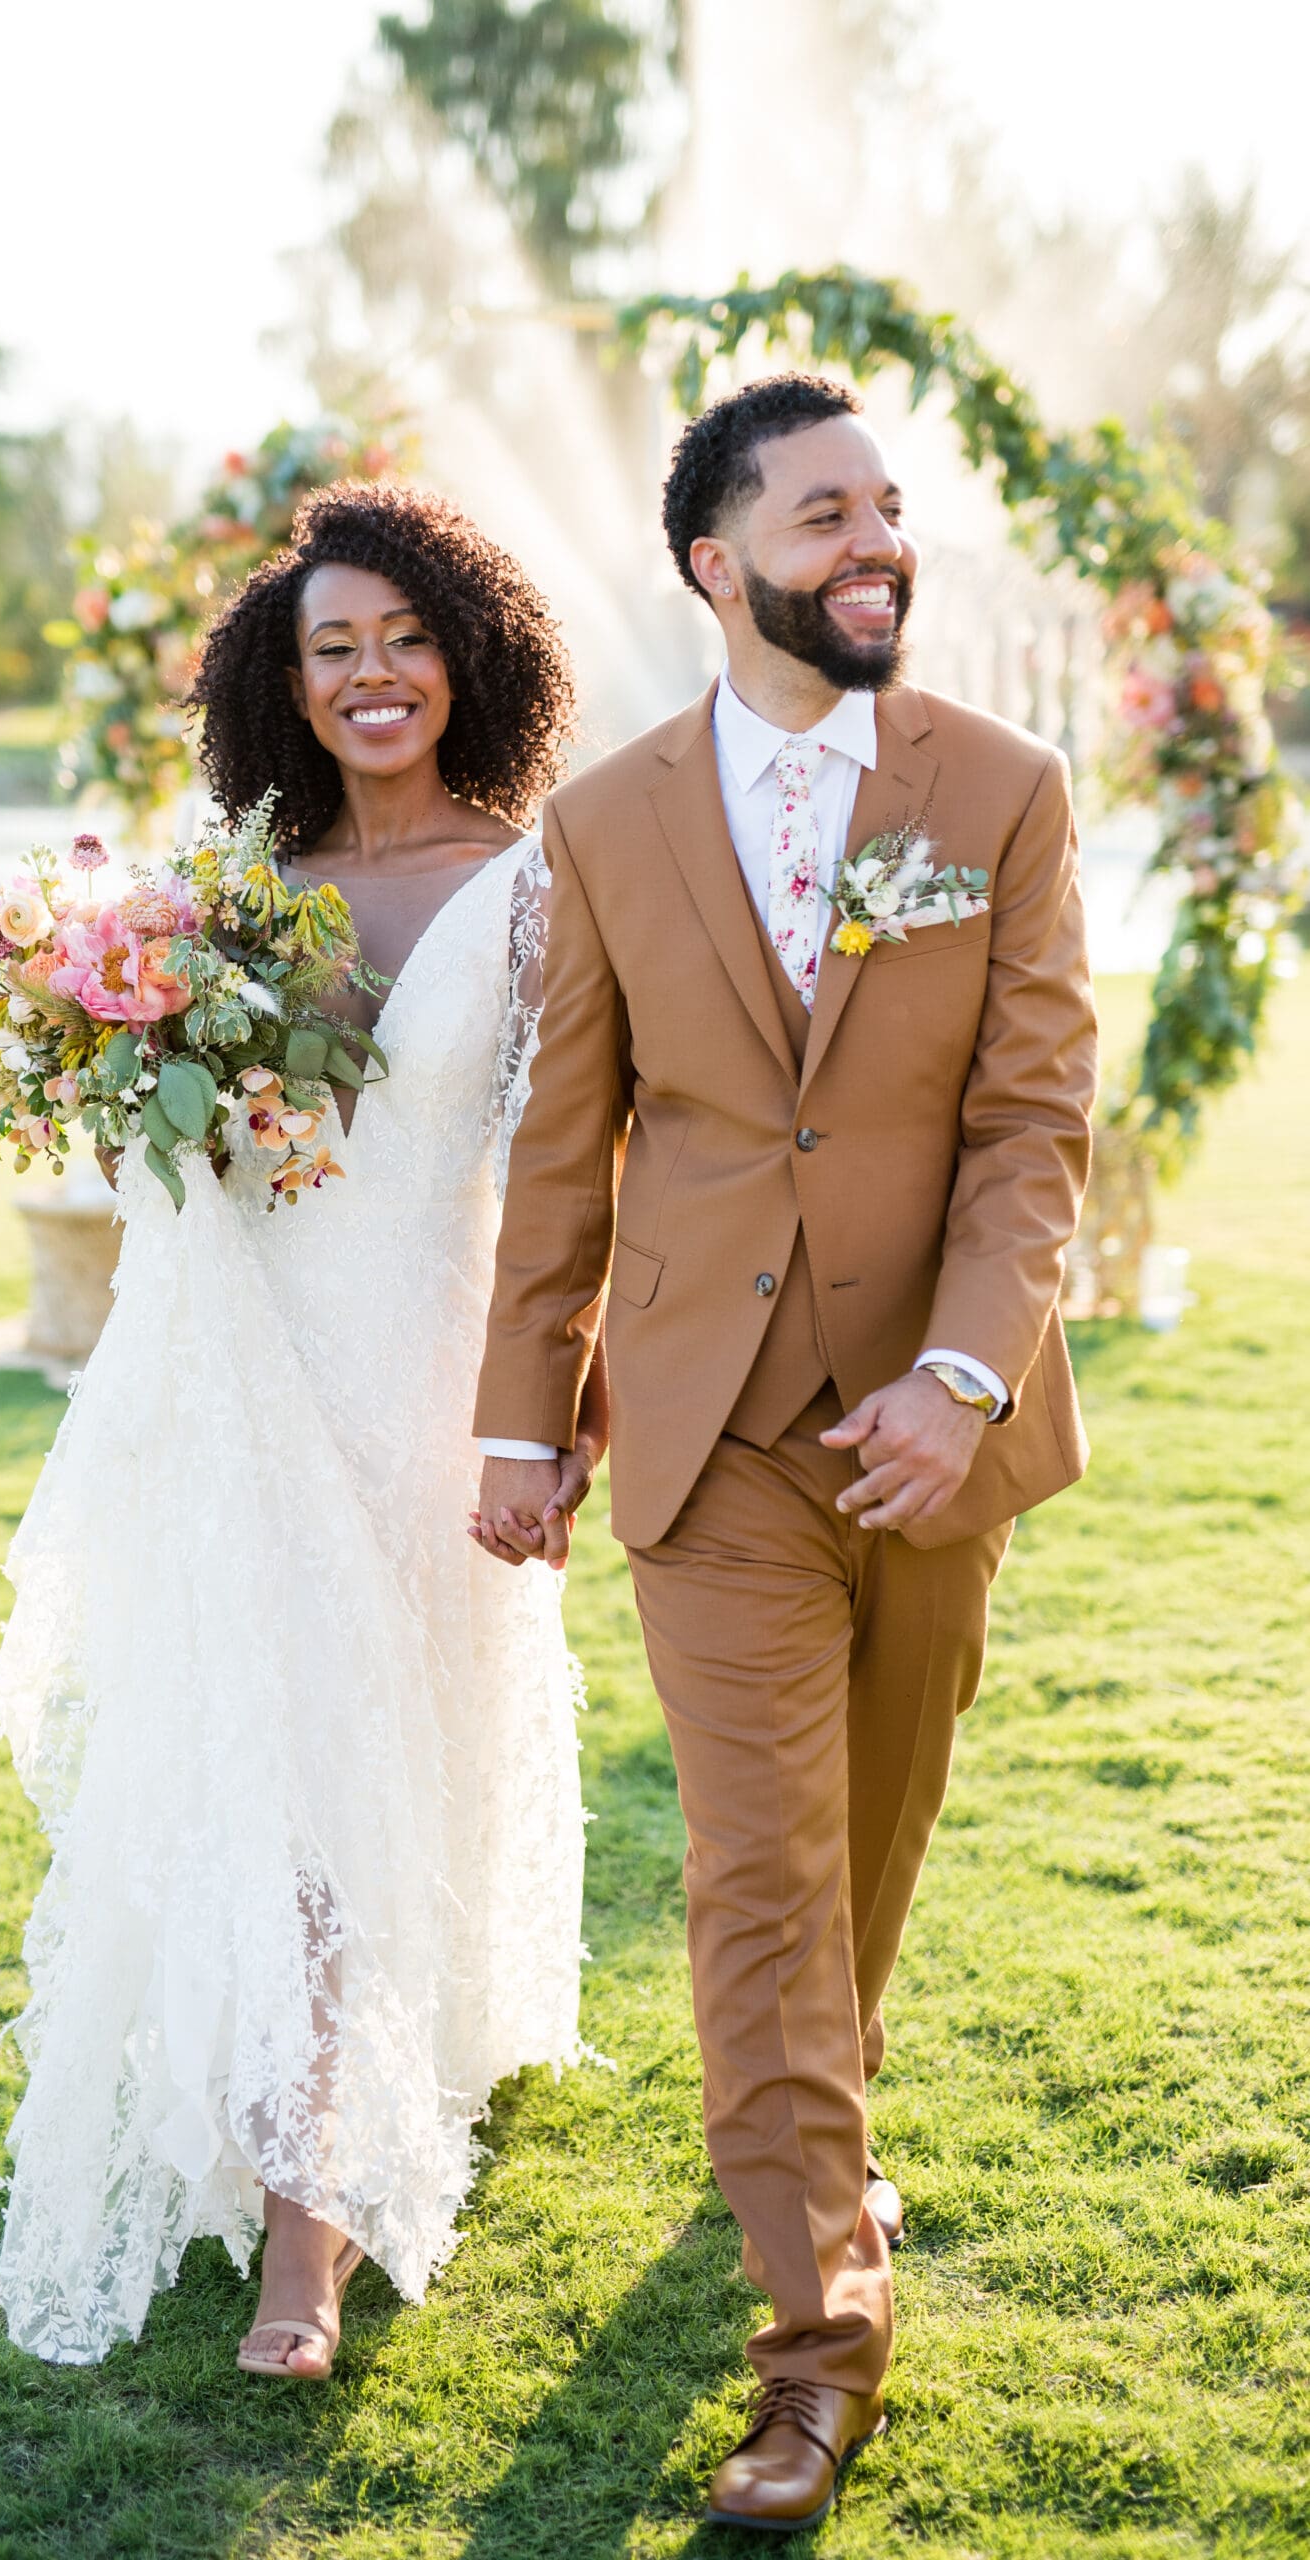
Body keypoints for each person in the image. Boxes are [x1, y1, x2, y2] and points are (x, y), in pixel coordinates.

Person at [471, 373, 1097, 2531]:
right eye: (828, 513)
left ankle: (818, 2135)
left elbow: (1032, 1125)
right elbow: (569, 1147)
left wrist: (970, 1380)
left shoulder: (1000, 789)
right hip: (709, 1434)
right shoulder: (610, 817)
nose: (878, 543)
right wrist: (521, 1412)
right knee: (757, 1878)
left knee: (867, 1859)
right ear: (715, 561)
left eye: (892, 510)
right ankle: (819, 2343)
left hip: (935, 1432)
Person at [0, 482, 602, 2380]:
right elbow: (168, 1148)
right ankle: (301, 2245)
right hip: (242, 1393)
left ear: (468, 655)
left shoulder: (543, 881)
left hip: (432, 1399)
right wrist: (112, 1075)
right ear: (286, 676)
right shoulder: (235, 887)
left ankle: (360, 2103)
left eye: (403, 637)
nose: (369, 675)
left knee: (393, 1776)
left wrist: (555, 1412)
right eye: (330, 646)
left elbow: (587, 1176)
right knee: (292, 1800)